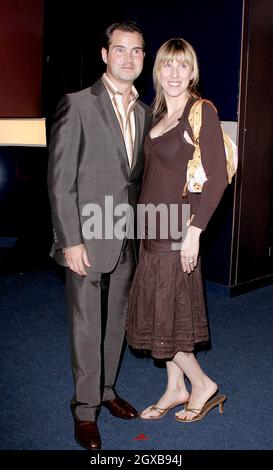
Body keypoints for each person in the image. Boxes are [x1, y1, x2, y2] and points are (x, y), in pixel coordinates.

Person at [47, 21, 151, 449]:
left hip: (125, 235)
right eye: (120, 50)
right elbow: (59, 180)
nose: (129, 58)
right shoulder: (78, 104)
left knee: (117, 322)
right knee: (87, 324)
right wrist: (69, 239)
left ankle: (107, 392)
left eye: (137, 51)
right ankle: (85, 408)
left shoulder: (145, 112)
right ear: (105, 55)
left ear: (143, 58)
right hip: (86, 238)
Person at [126, 38, 228, 423]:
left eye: (182, 66)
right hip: (151, 231)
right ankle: (175, 388)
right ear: (157, 71)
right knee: (160, 315)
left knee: (165, 317)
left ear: (193, 72)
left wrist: (195, 233)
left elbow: (216, 179)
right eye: (167, 65)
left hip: (178, 232)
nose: (173, 73)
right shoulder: (155, 115)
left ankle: (202, 384)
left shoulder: (201, 113)